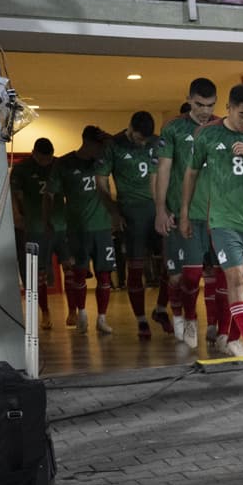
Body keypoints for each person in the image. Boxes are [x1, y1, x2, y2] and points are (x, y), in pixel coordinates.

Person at [180, 83, 243, 363]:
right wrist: (185, 213)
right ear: (229, 109)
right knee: (234, 277)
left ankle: (233, 338)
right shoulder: (208, 135)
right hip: (223, 221)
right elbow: (191, 174)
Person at [154, 78, 218, 351]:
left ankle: (213, 325)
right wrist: (160, 209)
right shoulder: (174, 128)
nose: (205, 110)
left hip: (215, 214)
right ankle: (184, 316)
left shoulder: (220, 128)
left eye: (211, 105)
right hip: (185, 213)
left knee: (215, 274)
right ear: (190, 100)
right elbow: (164, 170)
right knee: (185, 277)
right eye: (200, 104)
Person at [100, 111, 169, 339]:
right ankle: (141, 320)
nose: (142, 143)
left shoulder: (157, 142)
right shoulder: (113, 146)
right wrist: (113, 211)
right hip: (131, 212)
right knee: (136, 269)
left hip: (158, 210)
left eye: (145, 140)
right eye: (139, 138)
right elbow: (101, 182)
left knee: (171, 265)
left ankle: (160, 310)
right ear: (129, 128)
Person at [52, 126, 117, 335]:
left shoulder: (102, 162)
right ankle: (81, 314)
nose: (102, 150)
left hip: (103, 227)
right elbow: (52, 197)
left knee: (104, 274)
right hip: (77, 229)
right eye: (99, 146)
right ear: (88, 143)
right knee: (79, 273)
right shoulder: (64, 164)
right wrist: (53, 223)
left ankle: (102, 318)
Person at [10, 138, 60, 328]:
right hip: (29, 226)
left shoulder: (57, 165)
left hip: (54, 225)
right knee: (31, 271)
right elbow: (15, 196)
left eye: (49, 158)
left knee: (57, 267)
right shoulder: (22, 169)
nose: (46, 162)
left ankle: (69, 311)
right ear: (34, 153)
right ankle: (42, 312)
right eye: (43, 159)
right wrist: (17, 216)